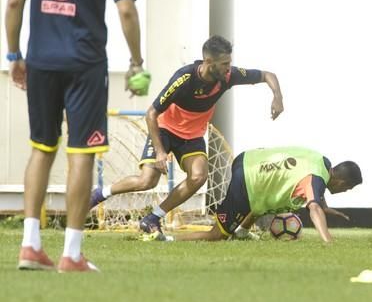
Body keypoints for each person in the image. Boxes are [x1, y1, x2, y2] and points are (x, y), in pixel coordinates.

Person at [5, 0, 148, 272]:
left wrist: (14, 56)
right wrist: (136, 62)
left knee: (41, 148)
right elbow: (127, 9)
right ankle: (71, 252)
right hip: (85, 65)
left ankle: (30, 246)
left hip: (41, 63)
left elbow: (15, 2)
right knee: (81, 154)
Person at [90, 35, 285, 235]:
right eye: (225, 63)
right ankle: (99, 194)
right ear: (209, 62)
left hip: (192, 135)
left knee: (199, 176)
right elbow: (151, 113)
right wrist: (159, 152)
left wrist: (277, 97)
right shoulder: (184, 78)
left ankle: (153, 218)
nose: (229, 68)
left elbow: (268, 75)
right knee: (147, 181)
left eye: (230, 62)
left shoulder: (228, 76)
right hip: (165, 130)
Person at [146, 146, 362, 243]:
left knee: (279, 195)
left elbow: (314, 188)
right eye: (348, 188)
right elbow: (312, 204)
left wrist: (324, 206)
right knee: (217, 235)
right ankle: (167, 239)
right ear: (342, 181)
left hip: (249, 159)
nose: (345, 191)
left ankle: (242, 231)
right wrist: (328, 241)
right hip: (248, 181)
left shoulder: (321, 161)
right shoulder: (316, 178)